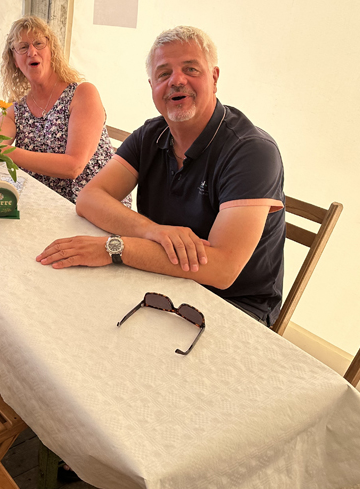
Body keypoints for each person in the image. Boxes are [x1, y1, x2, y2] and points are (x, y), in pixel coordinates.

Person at [37, 26, 285, 326]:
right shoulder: (151, 134)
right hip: (162, 282)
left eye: (191, 69)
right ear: (152, 85)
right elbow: (89, 198)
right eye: (164, 73)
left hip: (232, 308)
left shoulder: (252, 151)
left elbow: (222, 268)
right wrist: (152, 231)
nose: (177, 80)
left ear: (214, 77)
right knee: (63, 310)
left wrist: (114, 247)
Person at [0, 16, 122, 204]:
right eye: (23, 47)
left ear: (52, 51)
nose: (32, 52)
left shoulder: (82, 94)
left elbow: (74, 166)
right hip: (44, 205)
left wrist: (4, 151)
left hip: (93, 207)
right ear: (15, 61)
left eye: (39, 44)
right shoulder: (16, 109)